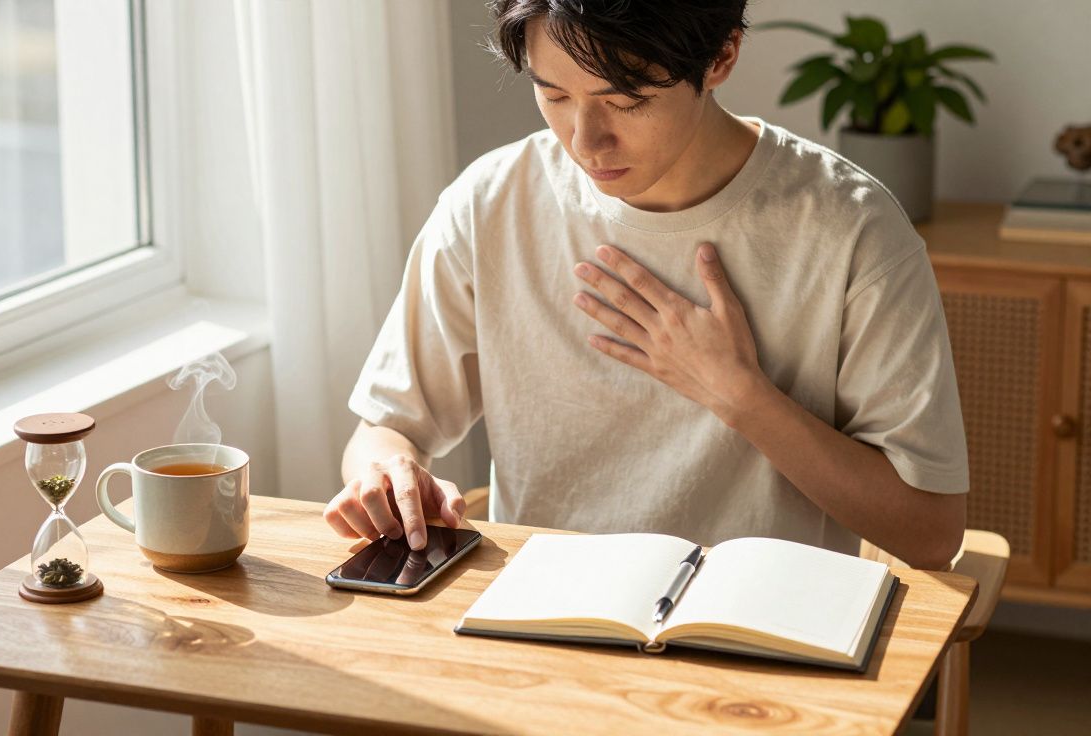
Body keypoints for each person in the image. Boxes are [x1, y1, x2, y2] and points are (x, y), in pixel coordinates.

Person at [323, 0, 968, 570]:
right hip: (541, 629)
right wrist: (387, 471)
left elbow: (932, 533)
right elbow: (384, 429)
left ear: (721, 57)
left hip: (761, 645)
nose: (586, 140)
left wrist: (742, 398)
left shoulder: (852, 228)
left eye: (626, 100)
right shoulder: (489, 205)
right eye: (555, 95)